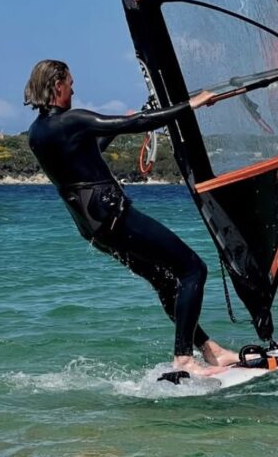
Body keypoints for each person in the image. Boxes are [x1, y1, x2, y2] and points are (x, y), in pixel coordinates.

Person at [25, 59, 238, 377]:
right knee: (193, 269)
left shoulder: (37, 132)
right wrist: (191, 104)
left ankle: (209, 350)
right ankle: (184, 357)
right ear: (57, 85)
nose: (73, 90)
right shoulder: (73, 120)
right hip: (115, 217)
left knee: (164, 280)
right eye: (70, 84)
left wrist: (115, 128)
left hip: (94, 230)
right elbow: (137, 122)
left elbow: (87, 152)